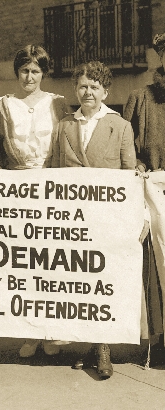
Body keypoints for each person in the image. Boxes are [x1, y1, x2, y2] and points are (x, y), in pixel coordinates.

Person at [49, 61, 137, 379]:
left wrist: (132, 217)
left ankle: (103, 350)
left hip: (105, 219)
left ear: (105, 92)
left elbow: (130, 176)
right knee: (79, 284)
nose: (88, 92)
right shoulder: (64, 126)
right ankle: (89, 344)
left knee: (102, 283)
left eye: (94, 87)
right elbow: (51, 171)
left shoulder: (120, 126)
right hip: (71, 218)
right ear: (76, 90)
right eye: (83, 86)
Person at [0, 45, 68, 358]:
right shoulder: (4, 104)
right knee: (23, 265)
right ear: (17, 72)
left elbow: (67, 146)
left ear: (43, 73)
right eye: (24, 70)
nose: (29, 77)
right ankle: (28, 334)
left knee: (51, 264)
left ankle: (51, 332)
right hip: (17, 189)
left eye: (35, 71)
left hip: (50, 189)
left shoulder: (58, 103)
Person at [124, 33, 165, 367]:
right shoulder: (141, 98)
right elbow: (126, 150)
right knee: (157, 271)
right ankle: (160, 340)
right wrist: (137, 166)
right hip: (154, 196)